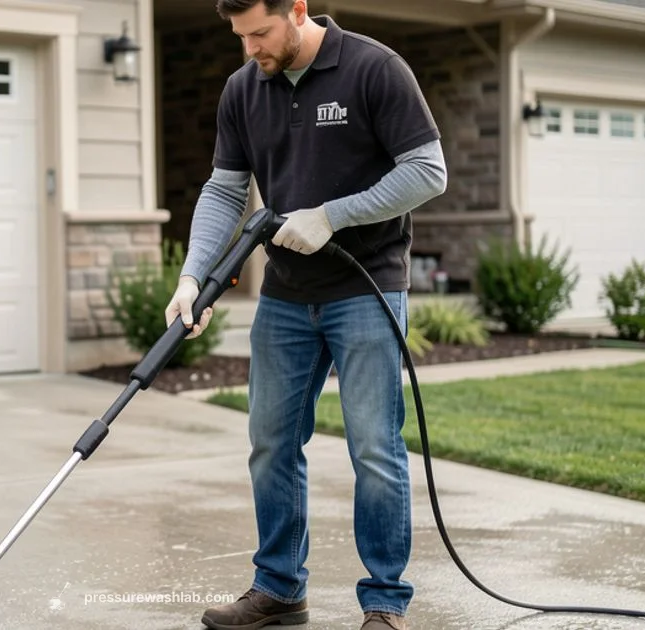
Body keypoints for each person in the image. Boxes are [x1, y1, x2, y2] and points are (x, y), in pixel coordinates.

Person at [164, 1, 448, 629]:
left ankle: (383, 602)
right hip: (286, 296)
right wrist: (192, 277)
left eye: (259, 33)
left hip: (367, 288)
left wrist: (331, 215)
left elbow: (428, 172)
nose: (249, 50)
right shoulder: (243, 89)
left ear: (297, 9)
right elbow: (223, 189)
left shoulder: (375, 69)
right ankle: (280, 587)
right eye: (239, 37)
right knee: (270, 443)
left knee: (374, 448)